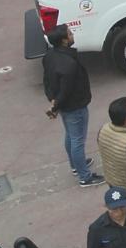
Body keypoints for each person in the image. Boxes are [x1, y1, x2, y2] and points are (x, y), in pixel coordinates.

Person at [42, 25, 102, 187]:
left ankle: (76, 165)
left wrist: (53, 101)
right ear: (63, 40)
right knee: (77, 140)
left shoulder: (49, 56)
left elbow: (47, 80)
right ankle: (85, 176)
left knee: (70, 135)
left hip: (64, 105)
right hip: (75, 105)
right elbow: (66, 89)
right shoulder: (69, 63)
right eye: (69, 33)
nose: (72, 34)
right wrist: (55, 105)